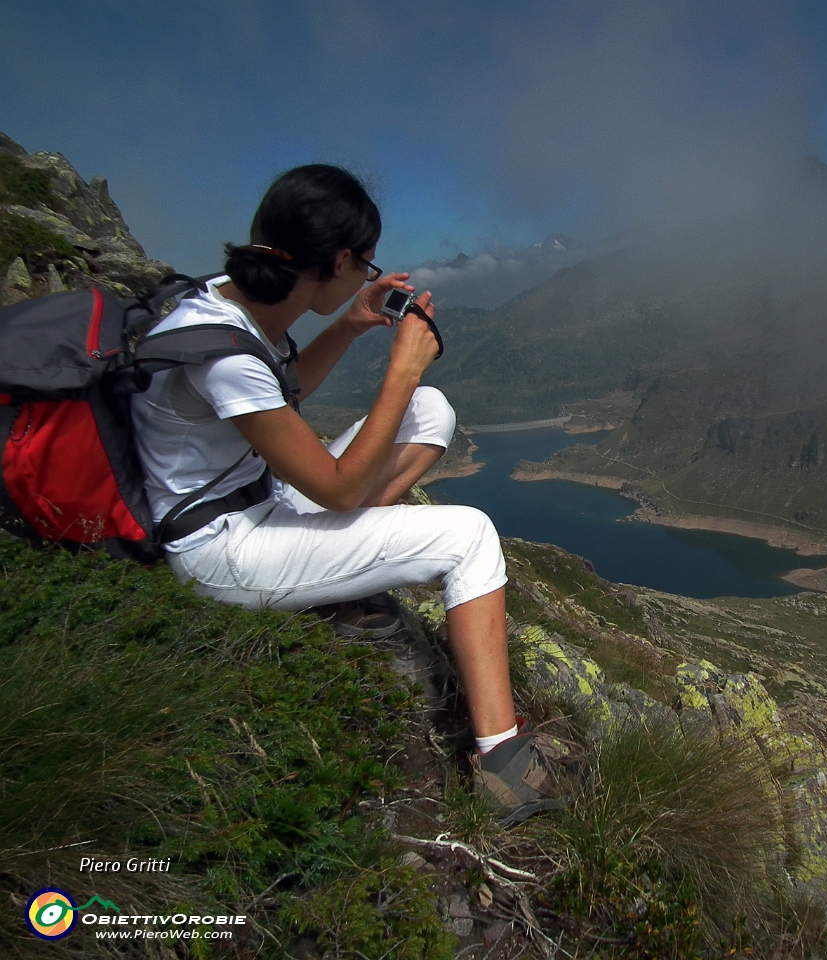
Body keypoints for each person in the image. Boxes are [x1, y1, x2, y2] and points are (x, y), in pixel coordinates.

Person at [130, 164, 569, 822]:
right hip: (222, 549)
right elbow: (336, 489)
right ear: (337, 261)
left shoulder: (224, 299)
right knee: (470, 537)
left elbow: (275, 394)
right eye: (365, 267)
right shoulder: (225, 356)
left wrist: (352, 324)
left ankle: (347, 569)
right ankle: (504, 765)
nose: (368, 278)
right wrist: (400, 368)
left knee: (433, 411)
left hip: (256, 497)